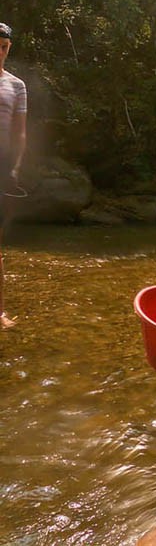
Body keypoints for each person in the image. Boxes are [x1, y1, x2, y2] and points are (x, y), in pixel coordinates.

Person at [0, 22, 26, 329]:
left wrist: (16, 167)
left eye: (5, 48)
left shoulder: (17, 86)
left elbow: (20, 134)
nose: (0, 53)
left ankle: (0, 312)